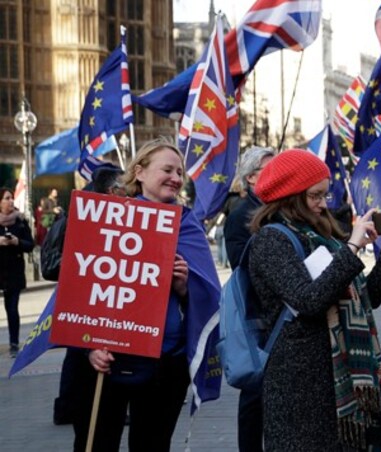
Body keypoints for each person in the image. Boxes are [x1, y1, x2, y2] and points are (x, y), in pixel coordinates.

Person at [247, 149, 381, 451]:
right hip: (300, 386)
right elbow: (308, 301)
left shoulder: (323, 235)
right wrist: (351, 248)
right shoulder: (271, 240)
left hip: (339, 376)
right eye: (315, 196)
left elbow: (366, 300)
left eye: (324, 195)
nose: (323, 204)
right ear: (291, 195)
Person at [71, 138, 221, 451]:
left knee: (152, 445)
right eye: (167, 169)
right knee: (96, 443)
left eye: (180, 172)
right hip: (107, 359)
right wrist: (89, 348)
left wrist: (183, 287)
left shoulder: (186, 223)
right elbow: (81, 287)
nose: (176, 178)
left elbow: (207, 293)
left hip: (163, 363)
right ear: (139, 172)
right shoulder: (106, 216)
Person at [46, 166, 125, 426]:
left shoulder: (82, 207)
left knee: (76, 351)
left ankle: (67, 407)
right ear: (112, 190)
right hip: (86, 293)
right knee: (85, 350)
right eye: (125, 188)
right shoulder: (89, 214)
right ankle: (79, 407)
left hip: (83, 292)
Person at [222, 145, 275, 452]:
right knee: (255, 396)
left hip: (278, 316)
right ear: (253, 177)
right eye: (270, 168)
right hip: (258, 318)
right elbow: (241, 265)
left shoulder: (275, 208)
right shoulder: (242, 214)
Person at [0, 187, 34, 358]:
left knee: (12, 308)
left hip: (14, 271)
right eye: (7, 198)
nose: (11, 201)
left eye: (12, 198)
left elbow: (30, 244)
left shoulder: (20, 221)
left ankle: (14, 342)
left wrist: (17, 241)